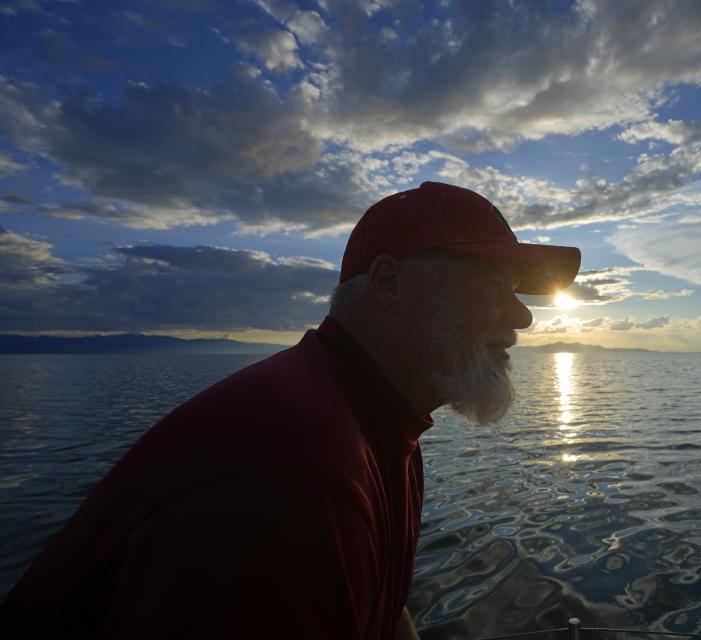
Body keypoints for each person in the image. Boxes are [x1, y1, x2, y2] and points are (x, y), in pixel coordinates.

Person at [0, 181, 581, 639]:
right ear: (388, 283)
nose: (523, 317)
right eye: (494, 287)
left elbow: (380, 609)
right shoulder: (295, 474)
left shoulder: (378, 423)